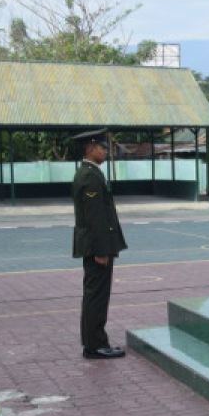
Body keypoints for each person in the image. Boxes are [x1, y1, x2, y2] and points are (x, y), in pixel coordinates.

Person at [71, 129, 128, 359]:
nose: (106, 151)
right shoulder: (90, 176)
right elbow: (95, 217)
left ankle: (93, 343)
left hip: (96, 245)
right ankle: (95, 345)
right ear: (90, 147)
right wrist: (102, 250)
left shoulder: (89, 173)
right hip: (97, 247)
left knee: (94, 294)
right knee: (97, 295)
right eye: (102, 147)